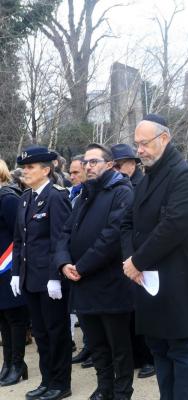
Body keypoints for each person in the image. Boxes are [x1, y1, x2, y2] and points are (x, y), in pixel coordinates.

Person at [121, 114, 188, 400]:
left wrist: (136, 261)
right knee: (157, 348)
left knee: (179, 349)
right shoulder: (146, 178)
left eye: (144, 143)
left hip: (175, 277)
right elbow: (128, 223)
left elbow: (174, 227)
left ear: (164, 138)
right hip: (146, 278)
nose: (139, 150)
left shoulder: (183, 174)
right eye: (137, 144)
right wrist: (130, 260)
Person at [55, 143, 135, 400]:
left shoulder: (122, 192)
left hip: (111, 284)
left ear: (109, 164)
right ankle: (104, 388)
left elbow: (111, 237)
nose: (87, 166)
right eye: (86, 162)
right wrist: (63, 262)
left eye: (93, 162)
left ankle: (122, 391)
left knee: (118, 345)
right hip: (83, 283)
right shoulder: (84, 195)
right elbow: (65, 233)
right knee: (96, 344)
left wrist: (82, 266)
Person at [11, 145, 72, 400]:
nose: (25, 172)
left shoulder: (57, 197)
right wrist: (16, 273)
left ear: (46, 170)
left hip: (49, 280)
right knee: (41, 333)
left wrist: (55, 276)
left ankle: (61, 383)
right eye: (24, 167)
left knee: (56, 331)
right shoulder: (26, 197)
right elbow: (19, 240)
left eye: (30, 167)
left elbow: (61, 240)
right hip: (30, 278)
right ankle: (47, 380)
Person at [110, 143, 155, 380]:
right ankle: (137, 356)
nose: (116, 169)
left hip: (141, 254)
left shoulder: (140, 184)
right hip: (124, 253)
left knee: (141, 309)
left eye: (119, 164)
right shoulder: (119, 185)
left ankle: (148, 357)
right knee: (128, 309)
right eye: (113, 165)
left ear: (131, 163)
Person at [0, 160, 30, 387]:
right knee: (3, 319)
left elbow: (20, 235)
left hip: (9, 269)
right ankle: (8, 362)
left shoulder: (8, 198)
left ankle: (18, 364)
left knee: (15, 318)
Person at [67, 155, 93, 369]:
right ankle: (88, 347)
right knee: (82, 312)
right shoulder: (75, 195)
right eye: (71, 172)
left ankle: (93, 347)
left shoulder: (93, 195)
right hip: (75, 265)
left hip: (91, 263)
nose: (72, 176)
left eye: (76, 172)